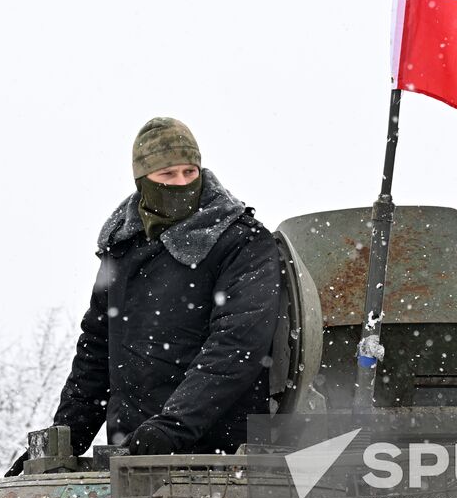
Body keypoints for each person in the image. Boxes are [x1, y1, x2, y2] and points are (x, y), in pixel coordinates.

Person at [47, 116, 282, 459]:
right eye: (167, 175)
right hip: (132, 455)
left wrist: (173, 426)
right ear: (143, 181)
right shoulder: (123, 247)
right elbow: (96, 352)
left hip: (223, 454)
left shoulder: (241, 240)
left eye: (190, 172)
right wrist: (62, 443)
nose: (182, 183)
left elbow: (238, 343)